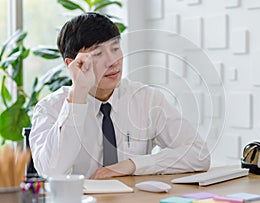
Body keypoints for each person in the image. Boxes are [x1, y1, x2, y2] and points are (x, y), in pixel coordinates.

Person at [29, 12, 210, 179]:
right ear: (72, 64)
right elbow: (51, 171)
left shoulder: (146, 98)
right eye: (98, 53)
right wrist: (77, 97)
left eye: (115, 48)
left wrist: (132, 165)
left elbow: (199, 155)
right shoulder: (49, 109)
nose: (113, 61)